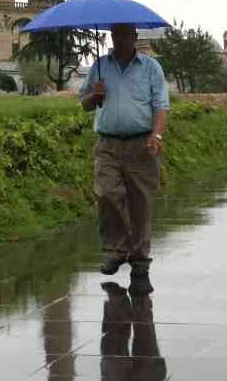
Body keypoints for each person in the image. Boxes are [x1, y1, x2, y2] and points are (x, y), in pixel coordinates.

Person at [79, 22, 170, 292]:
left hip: (141, 144)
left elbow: (161, 105)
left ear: (134, 37)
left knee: (141, 203)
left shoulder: (151, 67)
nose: (119, 40)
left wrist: (157, 135)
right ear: (110, 37)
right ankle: (116, 250)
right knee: (106, 193)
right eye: (115, 35)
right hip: (107, 143)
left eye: (124, 35)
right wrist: (95, 95)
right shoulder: (99, 66)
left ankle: (140, 265)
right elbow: (84, 104)